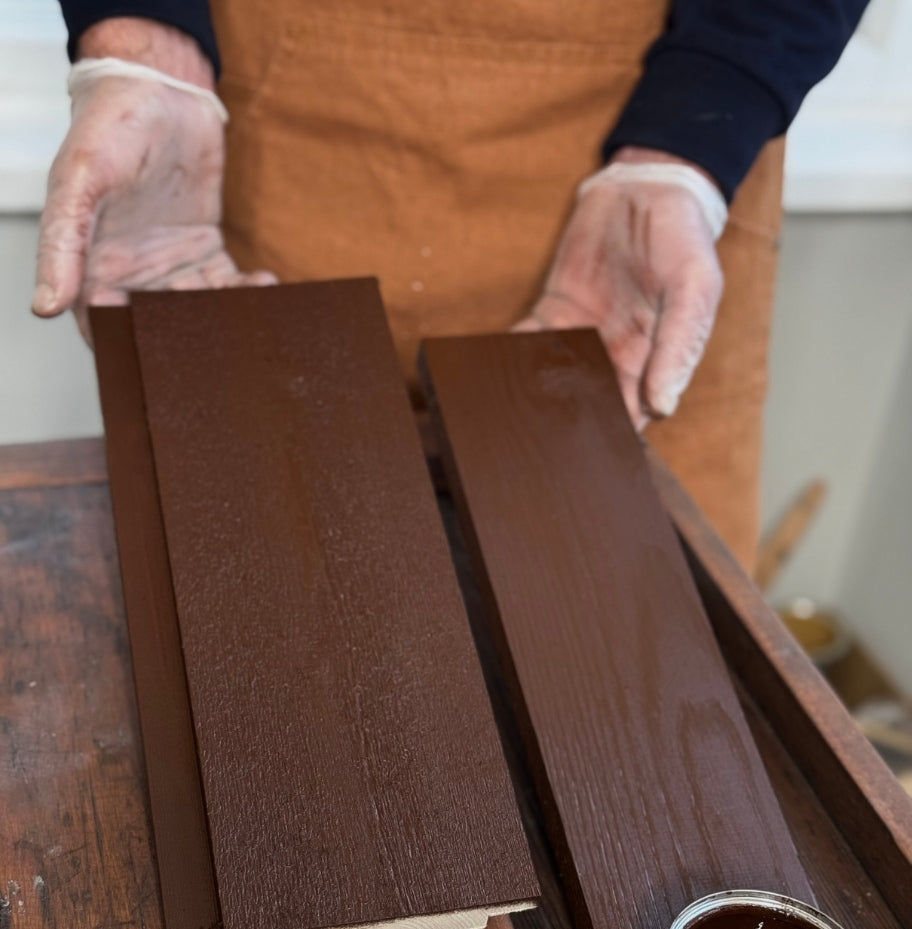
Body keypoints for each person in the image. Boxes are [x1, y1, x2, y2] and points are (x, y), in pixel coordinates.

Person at [34, 1, 867, 568]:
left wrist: (693, 142)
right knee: (253, 585)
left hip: (655, 181)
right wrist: (148, 53)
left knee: (637, 630)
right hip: (269, 130)